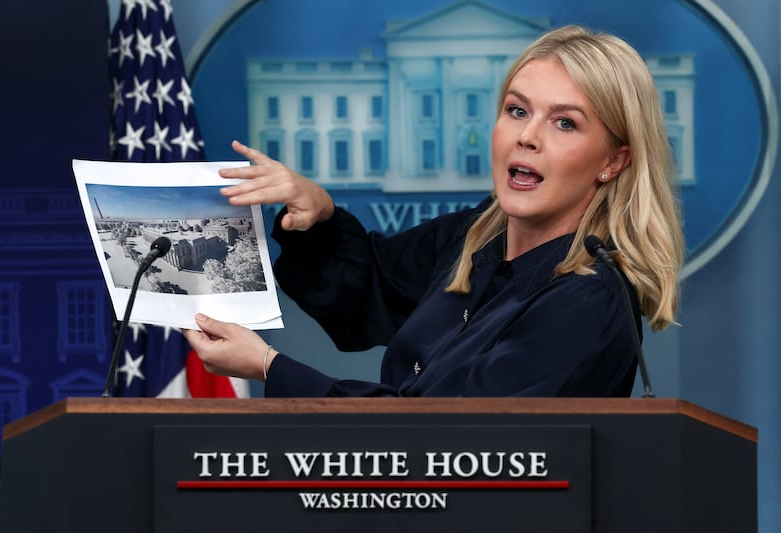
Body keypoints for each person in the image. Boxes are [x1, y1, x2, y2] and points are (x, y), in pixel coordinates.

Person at [183, 25, 684, 397]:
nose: (527, 136)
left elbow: (441, 436)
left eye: (565, 123)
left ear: (613, 161)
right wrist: (318, 212)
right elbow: (371, 292)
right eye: (517, 110)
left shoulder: (588, 299)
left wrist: (271, 367)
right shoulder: (473, 237)